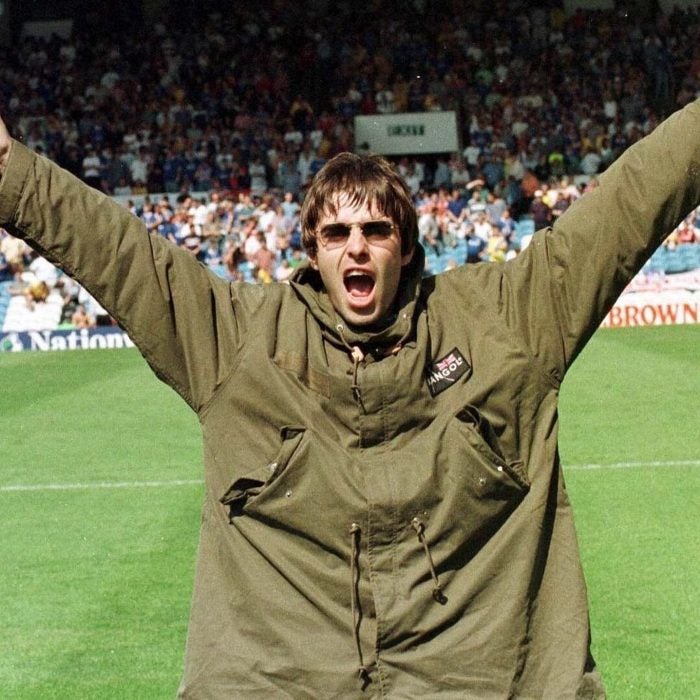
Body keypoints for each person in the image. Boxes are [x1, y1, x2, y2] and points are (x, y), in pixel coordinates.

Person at [0, 99, 698, 699]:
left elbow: (626, 206)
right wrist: (12, 172)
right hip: (284, 676)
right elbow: (124, 256)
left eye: (375, 231)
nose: (355, 250)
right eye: (337, 233)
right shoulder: (242, 340)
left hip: (476, 674)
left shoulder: (503, 322)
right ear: (311, 248)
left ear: (407, 246)